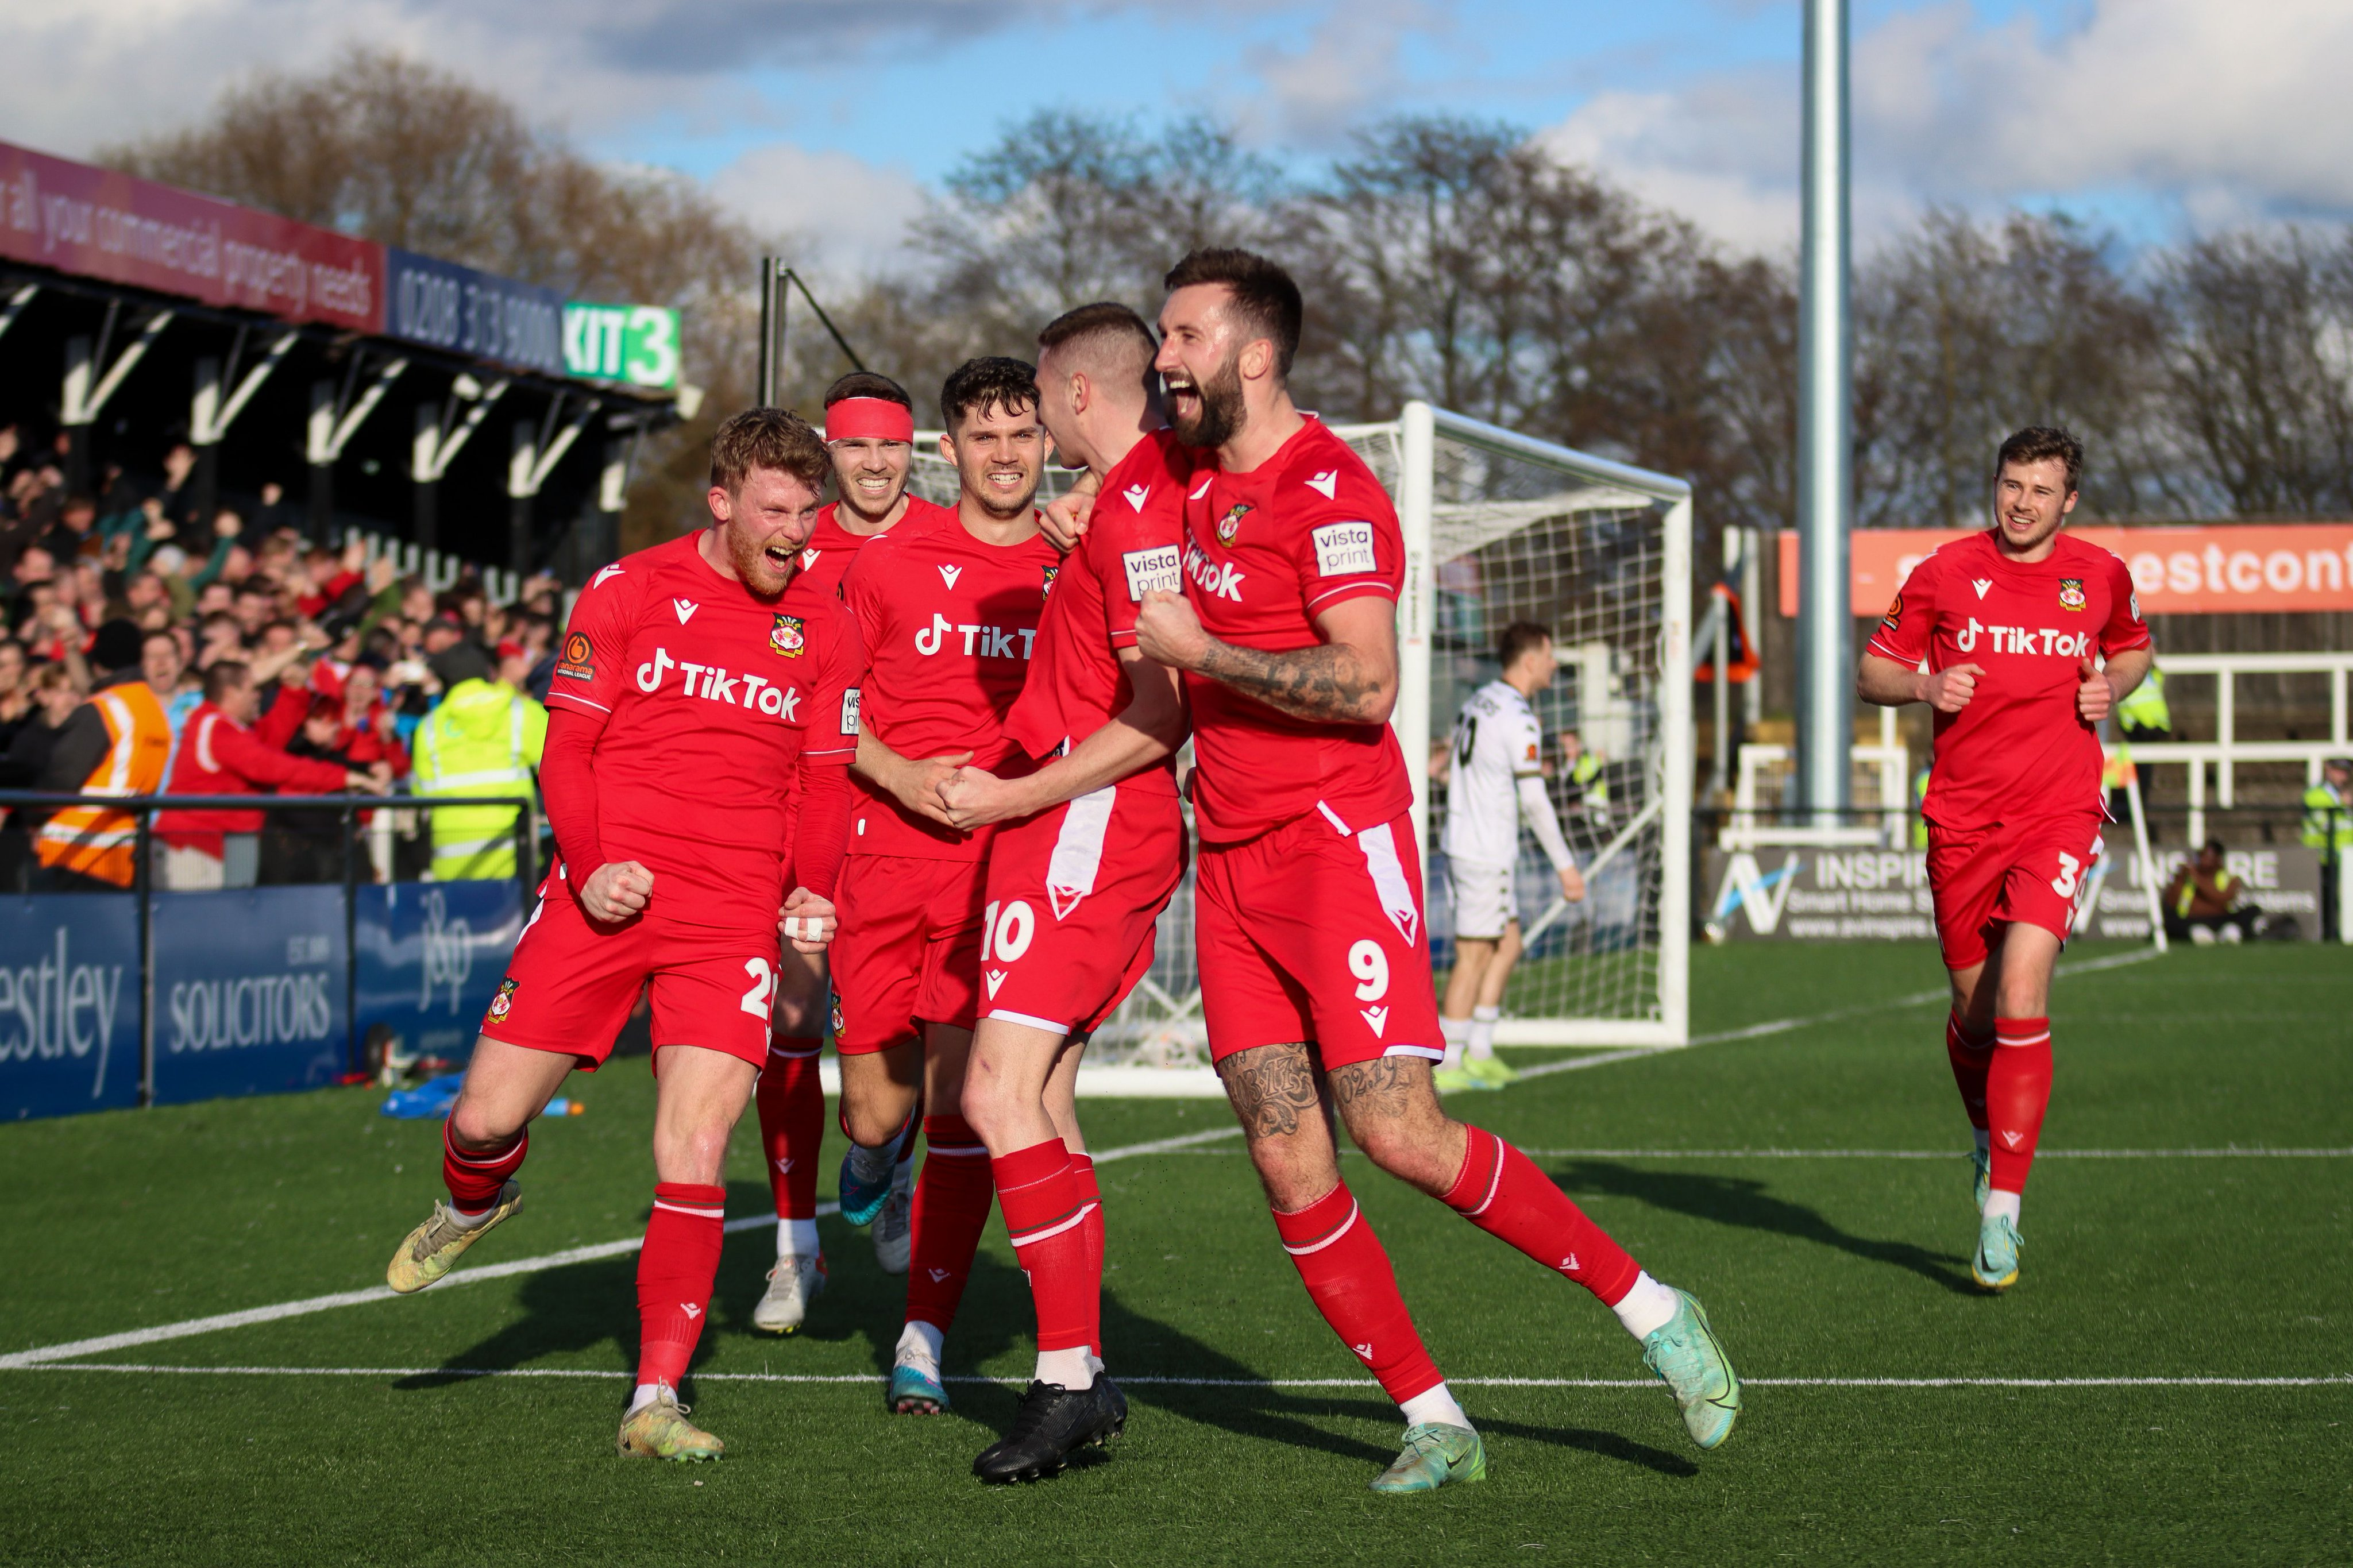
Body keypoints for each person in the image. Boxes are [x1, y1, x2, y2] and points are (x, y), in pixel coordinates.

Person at [1128, 248, 1738, 1493]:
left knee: (1398, 1133)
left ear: (1254, 353)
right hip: (1229, 867)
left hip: (1334, 848)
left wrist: (1207, 651)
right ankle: (1433, 1417)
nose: (1162, 359)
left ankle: (1650, 1306)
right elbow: (1093, 424)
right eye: (1157, 337)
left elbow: (1367, 682)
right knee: (1283, 1156)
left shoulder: (1332, 492)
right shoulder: (1179, 478)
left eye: (1183, 338)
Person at [381, 407, 856, 1463]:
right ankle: (471, 1202)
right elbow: (569, 751)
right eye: (777, 513)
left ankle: (655, 1400)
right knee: (482, 1117)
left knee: (690, 1149)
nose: (797, 535)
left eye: (809, 515)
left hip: (729, 913)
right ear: (722, 503)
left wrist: (810, 890)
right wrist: (592, 869)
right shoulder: (629, 590)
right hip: (607, 895)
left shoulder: (826, 618)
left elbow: (826, 780)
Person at [936, 303, 1191, 1480]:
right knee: (1035, 1103)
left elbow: (1158, 712)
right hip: (1067, 824)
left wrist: (1015, 801)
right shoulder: (1124, 502)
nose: (1030, 421)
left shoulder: (1138, 502)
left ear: (1077, 394)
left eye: (1037, 399)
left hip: (1084, 823)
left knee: (994, 1097)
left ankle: (1064, 1379)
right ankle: (1077, 1372)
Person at [1858, 424, 2154, 1292]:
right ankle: (1989, 1138)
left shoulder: (2100, 573)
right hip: (1961, 818)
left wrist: (2116, 684)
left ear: (2070, 501)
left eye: (2040, 489)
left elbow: (2134, 646)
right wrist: (1923, 684)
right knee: (1975, 1011)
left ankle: (2002, 1215)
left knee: (2025, 987)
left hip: (2058, 809)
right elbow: (1874, 669)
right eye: (2010, 484)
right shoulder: (1945, 569)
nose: (2022, 502)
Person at [823, 357, 1060, 1419]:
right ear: (949, 449)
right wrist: (901, 773)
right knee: (874, 1119)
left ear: (1047, 442)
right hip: (882, 864)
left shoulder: (1073, 565)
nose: (1004, 455)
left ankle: (921, 1335)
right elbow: (827, 715)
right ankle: (881, 1168)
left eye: (1022, 435)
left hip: (997, 875)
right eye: (982, 436)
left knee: (970, 1100)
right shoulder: (888, 563)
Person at [750, 372, 960, 1337]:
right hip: (801, 818)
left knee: (898, 1076)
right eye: (854, 448)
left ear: (914, 448)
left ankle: (884, 1158)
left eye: (890, 446)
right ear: (827, 453)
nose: (874, 464)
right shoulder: (797, 544)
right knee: (789, 1024)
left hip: (926, 836)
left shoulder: (958, 536)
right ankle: (795, 1250)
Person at [1434, 621, 1586, 1094]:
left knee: (1509, 944)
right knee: (1473, 954)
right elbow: (1535, 800)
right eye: (1550, 654)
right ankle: (1449, 1062)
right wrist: (1565, 864)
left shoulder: (1479, 700)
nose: (1554, 664)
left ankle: (1479, 1050)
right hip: (1483, 849)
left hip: (1471, 841)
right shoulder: (1518, 718)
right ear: (1530, 660)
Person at [152, 663, 380, 889]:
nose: (257, 696)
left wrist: (294, 691)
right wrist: (344, 777)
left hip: (229, 847)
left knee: (232, 915)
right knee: (196, 920)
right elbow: (273, 766)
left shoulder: (232, 728)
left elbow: (271, 737)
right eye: (252, 689)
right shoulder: (216, 728)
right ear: (231, 693)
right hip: (194, 849)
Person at [32, 619, 172, 891]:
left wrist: (31, 814)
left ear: (98, 662)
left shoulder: (104, 709)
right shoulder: (155, 711)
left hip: (75, 855)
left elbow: (62, 777)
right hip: (126, 856)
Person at [410, 641, 548, 882]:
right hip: (514, 863)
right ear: (489, 674)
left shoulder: (429, 727)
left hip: (453, 869)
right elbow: (561, 769)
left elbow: (420, 792)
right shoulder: (521, 711)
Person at [2161, 839, 2275, 944]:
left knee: (2252, 910)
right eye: (2202, 856)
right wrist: (2179, 878)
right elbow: (2172, 902)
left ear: (2219, 859)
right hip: (2192, 920)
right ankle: (2197, 932)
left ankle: (2230, 931)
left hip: (2221, 919)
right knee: (2170, 919)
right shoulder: (2185, 876)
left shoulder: (2228, 878)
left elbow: (2222, 899)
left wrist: (2197, 879)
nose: (2204, 860)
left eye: (2209, 856)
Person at [2301, 758, 2351, 943]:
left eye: (2345, 772)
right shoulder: (2316, 794)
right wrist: (2343, 805)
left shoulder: (2342, 795)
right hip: (2322, 856)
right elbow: (2325, 824)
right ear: (2328, 770)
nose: (2343, 776)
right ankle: (2329, 935)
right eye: (2339, 771)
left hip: (2345, 857)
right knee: (2328, 900)